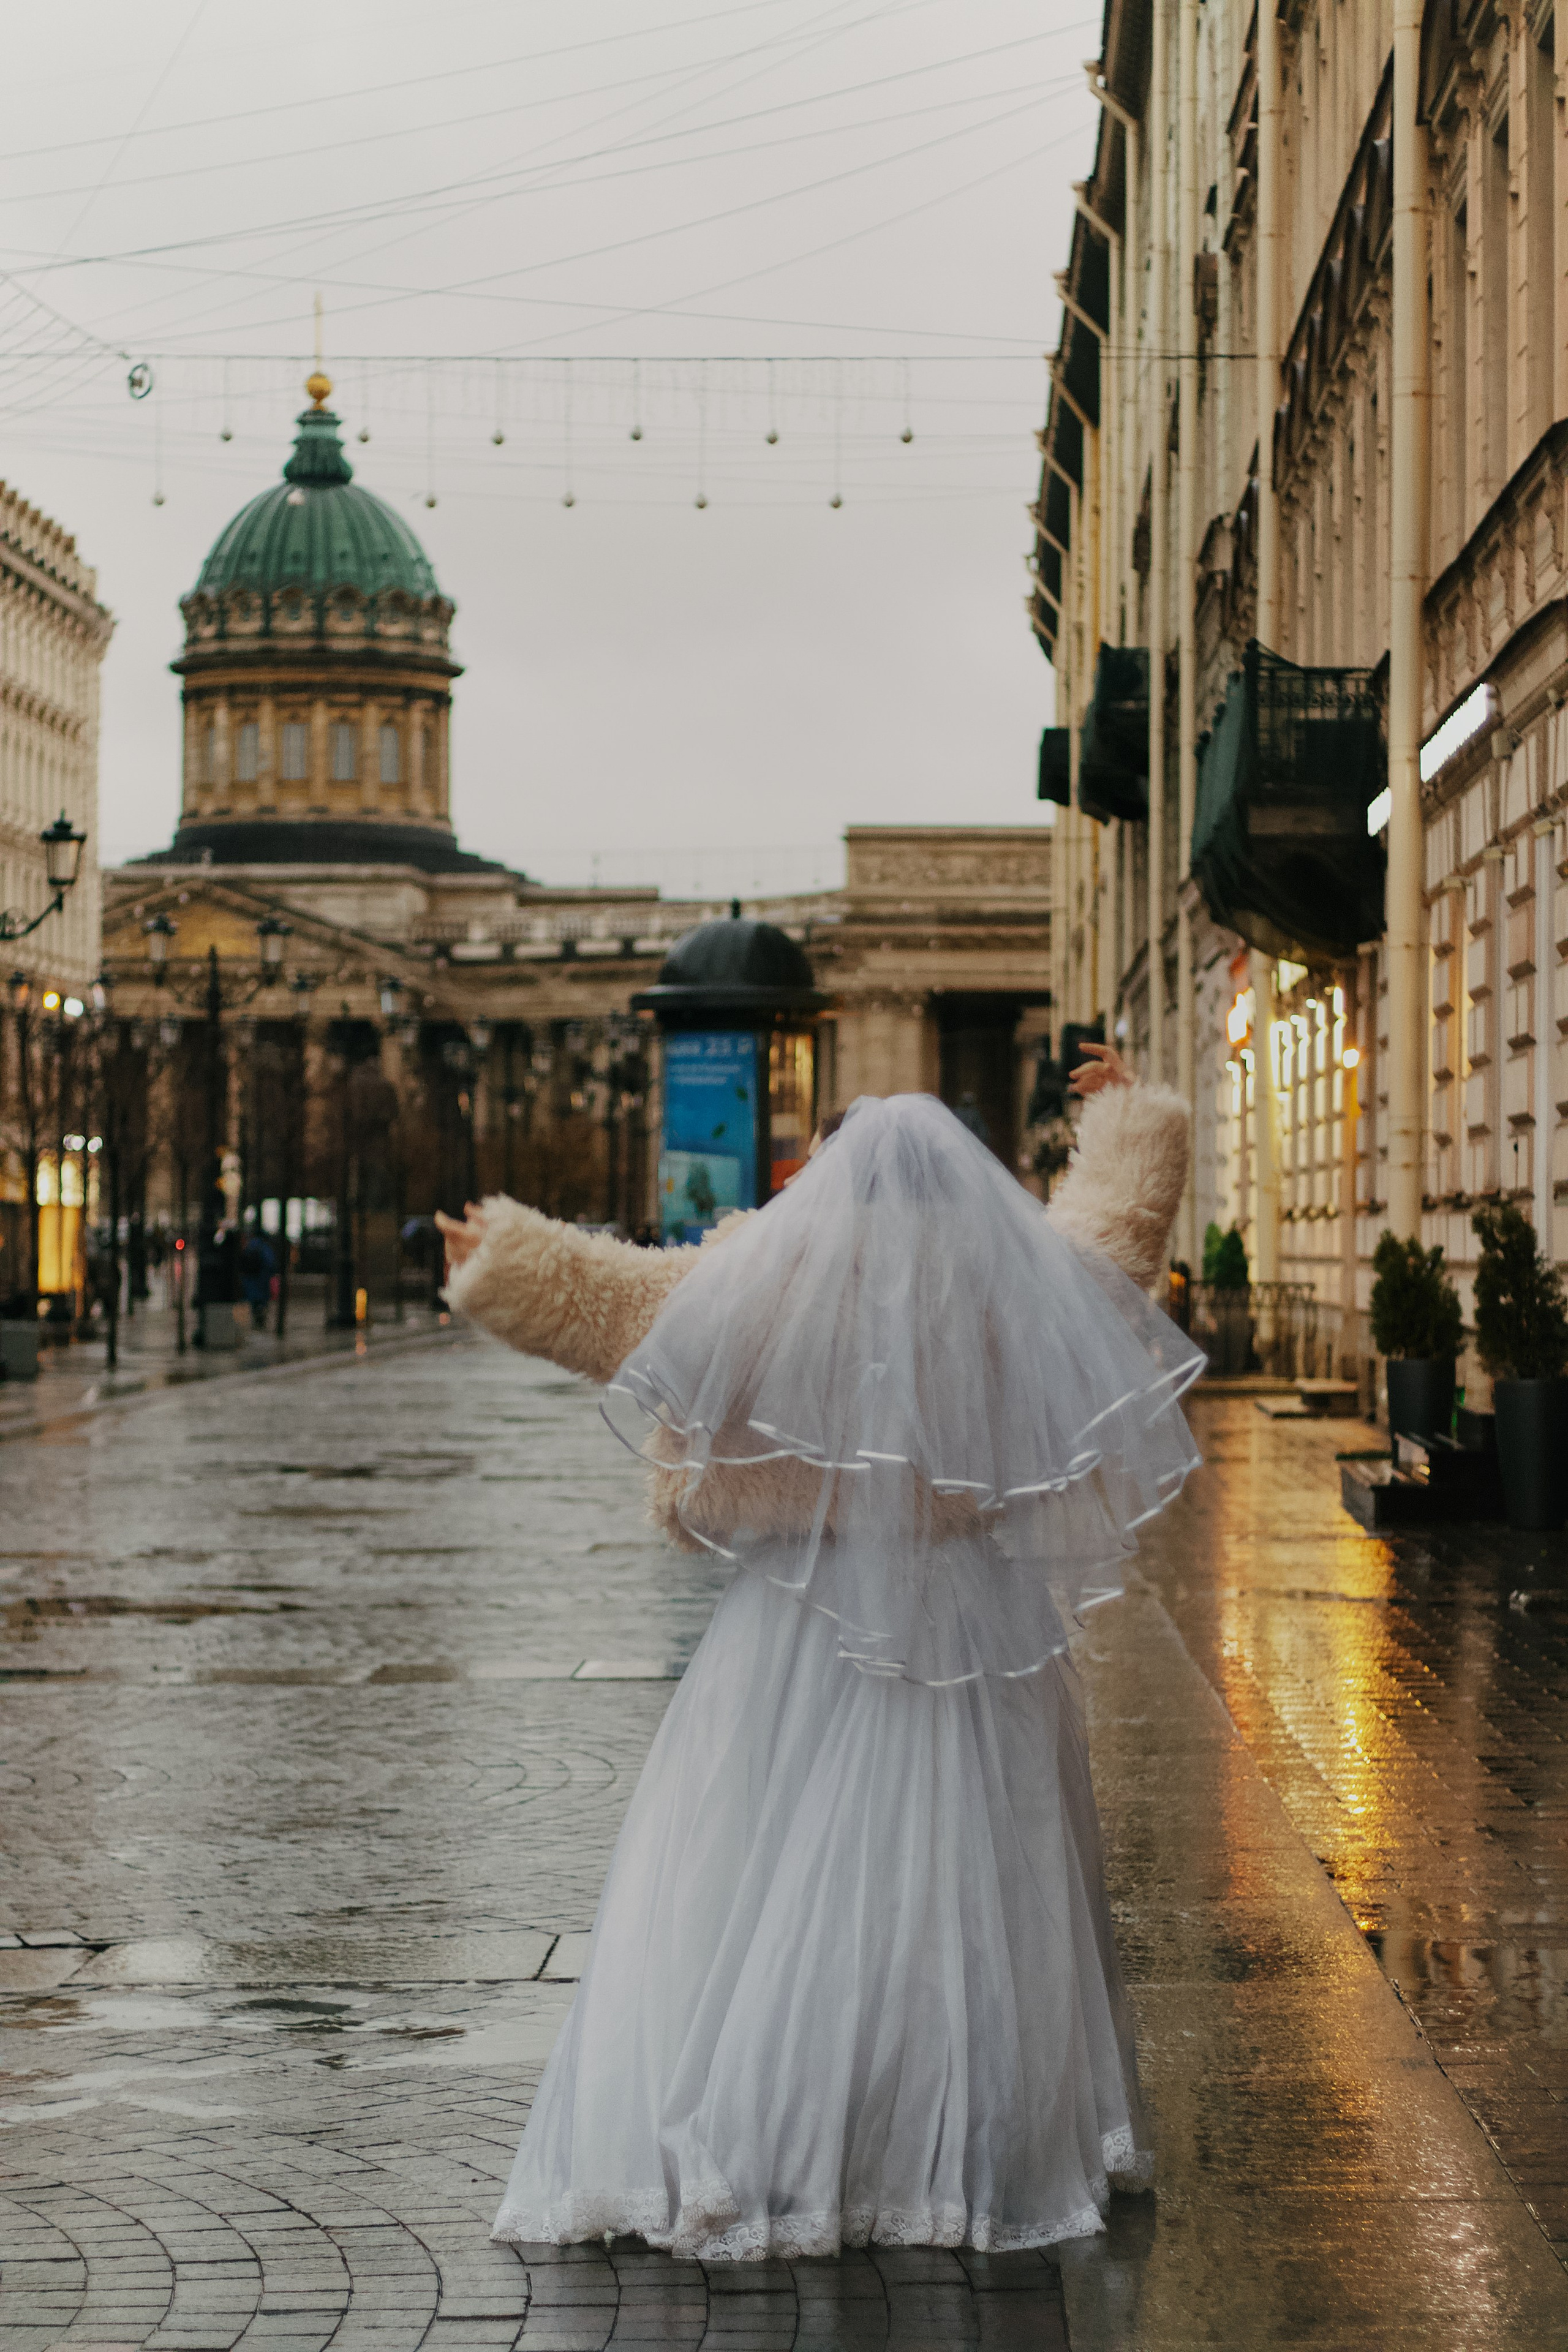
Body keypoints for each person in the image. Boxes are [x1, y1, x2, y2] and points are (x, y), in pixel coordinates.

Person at [437, 1047, 1197, 2261]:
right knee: (973, 1884)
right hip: (978, 1624)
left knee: (760, 1872)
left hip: (799, 1614)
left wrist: (504, 1258)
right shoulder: (1014, 1276)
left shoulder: (773, 1273)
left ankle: (783, 2133)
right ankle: (957, 2142)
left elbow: (621, 1307)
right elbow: (1115, 1247)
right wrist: (1121, 1118)